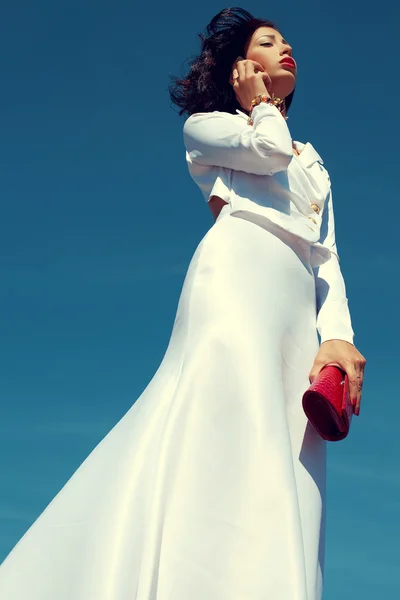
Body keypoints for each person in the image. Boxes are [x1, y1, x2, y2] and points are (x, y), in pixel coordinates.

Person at [0, 7, 366, 600]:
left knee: (296, 458)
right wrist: (259, 106)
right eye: (268, 43)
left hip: (299, 304)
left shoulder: (314, 160)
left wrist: (339, 336)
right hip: (238, 274)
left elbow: (328, 255)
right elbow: (267, 151)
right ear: (241, 68)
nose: (287, 47)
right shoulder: (208, 127)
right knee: (227, 408)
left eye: (286, 40)